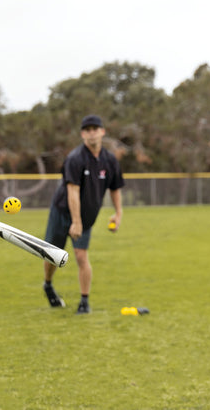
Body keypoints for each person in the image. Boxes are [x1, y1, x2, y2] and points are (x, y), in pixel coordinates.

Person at [42, 114, 124, 314]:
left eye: (95, 129)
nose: (92, 133)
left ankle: (84, 301)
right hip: (62, 211)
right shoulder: (75, 158)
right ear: (82, 134)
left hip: (87, 215)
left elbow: (115, 189)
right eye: (87, 130)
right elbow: (72, 191)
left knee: (80, 256)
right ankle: (48, 284)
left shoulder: (110, 160)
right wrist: (75, 221)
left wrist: (118, 213)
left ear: (102, 132)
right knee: (53, 254)